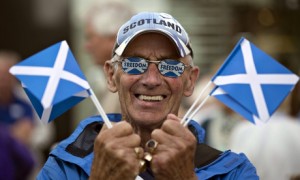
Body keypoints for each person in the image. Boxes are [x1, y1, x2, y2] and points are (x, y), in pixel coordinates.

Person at [37, 12, 258, 179]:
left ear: (190, 80)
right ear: (112, 76)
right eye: (134, 64)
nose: (151, 80)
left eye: (170, 66)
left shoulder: (233, 171)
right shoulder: (64, 166)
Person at [82, 1, 134, 115]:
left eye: (90, 37)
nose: (86, 47)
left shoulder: (131, 86)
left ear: (113, 38)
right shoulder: (112, 81)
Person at [0, 50, 36, 179]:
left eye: (6, 74)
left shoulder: (25, 103)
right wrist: (10, 134)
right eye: (0, 74)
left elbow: (27, 132)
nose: (3, 79)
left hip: (20, 166)